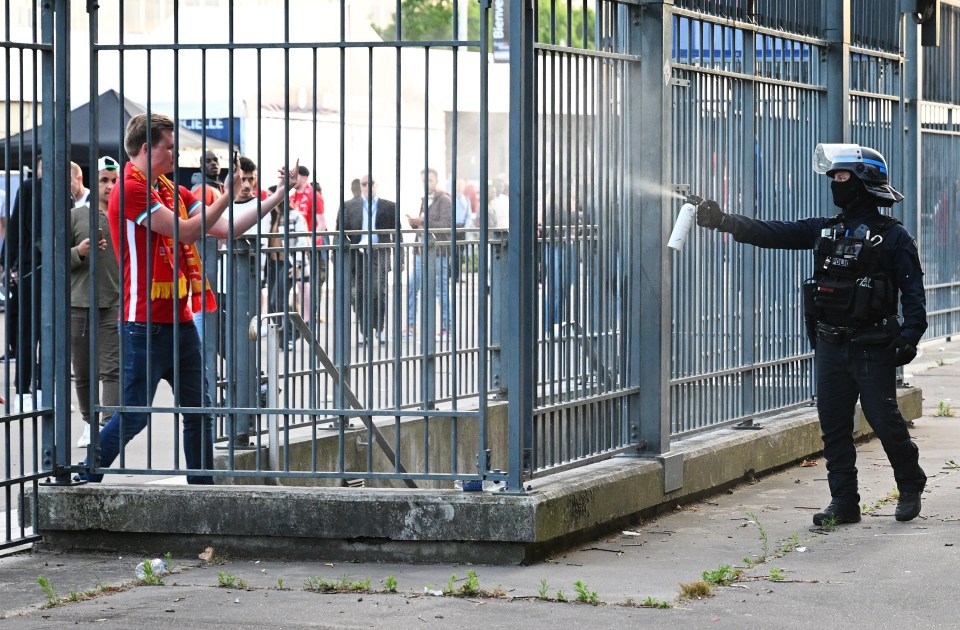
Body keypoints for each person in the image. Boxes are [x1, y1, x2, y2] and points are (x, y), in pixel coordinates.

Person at [694, 143, 927, 524]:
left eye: (841, 176)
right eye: (833, 177)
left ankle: (910, 482)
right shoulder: (826, 230)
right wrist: (724, 221)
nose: (835, 184)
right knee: (834, 425)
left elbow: (913, 295)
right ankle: (844, 503)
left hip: (872, 346)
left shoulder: (894, 237)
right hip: (831, 344)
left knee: (884, 420)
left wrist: (910, 337)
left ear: (864, 181)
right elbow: (773, 233)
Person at [80, 113, 290, 484]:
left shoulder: (171, 190)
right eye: (170, 147)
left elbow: (224, 228)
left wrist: (276, 196)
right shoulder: (130, 189)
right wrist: (226, 195)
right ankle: (86, 473)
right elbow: (189, 233)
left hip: (178, 321)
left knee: (199, 410)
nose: (176, 153)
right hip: (142, 324)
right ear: (148, 148)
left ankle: (202, 486)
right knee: (134, 414)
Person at [70, 157, 121, 448]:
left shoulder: (127, 215)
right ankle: (91, 423)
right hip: (79, 303)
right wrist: (79, 250)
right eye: (104, 180)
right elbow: (56, 259)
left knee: (112, 368)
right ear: (94, 182)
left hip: (114, 301)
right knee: (83, 369)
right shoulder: (79, 216)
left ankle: (108, 426)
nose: (110, 186)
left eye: (114, 180)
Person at [337, 175, 397, 345]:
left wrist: (400, 260)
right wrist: (340, 260)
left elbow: (397, 233)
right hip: (358, 254)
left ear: (376, 185)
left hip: (379, 253)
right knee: (361, 294)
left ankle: (379, 328)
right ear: (360, 187)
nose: (367, 187)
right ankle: (365, 332)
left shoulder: (389, 206)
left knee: (379, 292)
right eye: (364, 184)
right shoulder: (348, 207)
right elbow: (339, 233)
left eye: (370, 184)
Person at [405, 168, 452, 341]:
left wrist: (422, 221)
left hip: (438, 252)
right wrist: (414, 223)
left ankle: (448, 328)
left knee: (441, 290)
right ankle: (410, 326)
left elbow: (446, 225)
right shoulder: (425, 201)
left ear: (436, 181)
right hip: (421, 251)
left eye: (430, 180)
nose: (426, 183)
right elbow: (423, 225)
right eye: (424, 180)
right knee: (412, 286)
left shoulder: (444, 200)